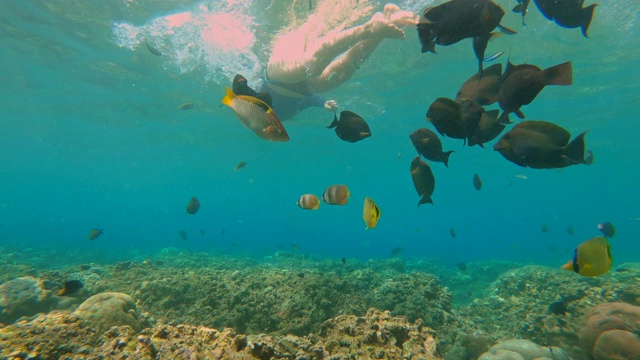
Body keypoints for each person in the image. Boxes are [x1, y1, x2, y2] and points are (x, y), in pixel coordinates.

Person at [240, 3, 418, 121]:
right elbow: (307, 101)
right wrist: (322, 103)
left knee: (310, 66)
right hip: (304, 88)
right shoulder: (281, 120)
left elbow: (245, 79)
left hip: (276, 76)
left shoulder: (250, 110)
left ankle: (367, 30)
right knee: (340, 75)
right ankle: (385, 23)